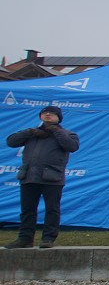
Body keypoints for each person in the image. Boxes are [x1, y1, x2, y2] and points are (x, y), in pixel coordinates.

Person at [5, 106, 80, 249]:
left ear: (59, 118)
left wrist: (56, 131)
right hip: (29, 176)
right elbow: (11, 141)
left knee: (52, 209)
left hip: (52, 177)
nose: (47, 115)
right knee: (27, 209)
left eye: (52, 114)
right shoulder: (32, 133)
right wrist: (29, 132)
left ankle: (48, 238)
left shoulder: (67, 134)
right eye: (45, 113)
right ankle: (25, 238)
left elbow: (71, 146)